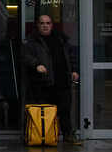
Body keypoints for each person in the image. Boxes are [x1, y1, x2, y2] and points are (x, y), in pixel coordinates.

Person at [19, 12, 78, 144]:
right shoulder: (32, 41)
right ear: (37, 25)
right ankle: (43, 137)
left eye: (48, 23)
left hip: (62, 82)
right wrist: (36, 65)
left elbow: (70, 56)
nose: (45, 26)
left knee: (65, 111)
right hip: (44, 83)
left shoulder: (61, 39)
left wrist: (74, 70)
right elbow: (25, 57)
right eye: (42, 23)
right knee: (44, 113)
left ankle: (68, 135)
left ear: (52, 25)